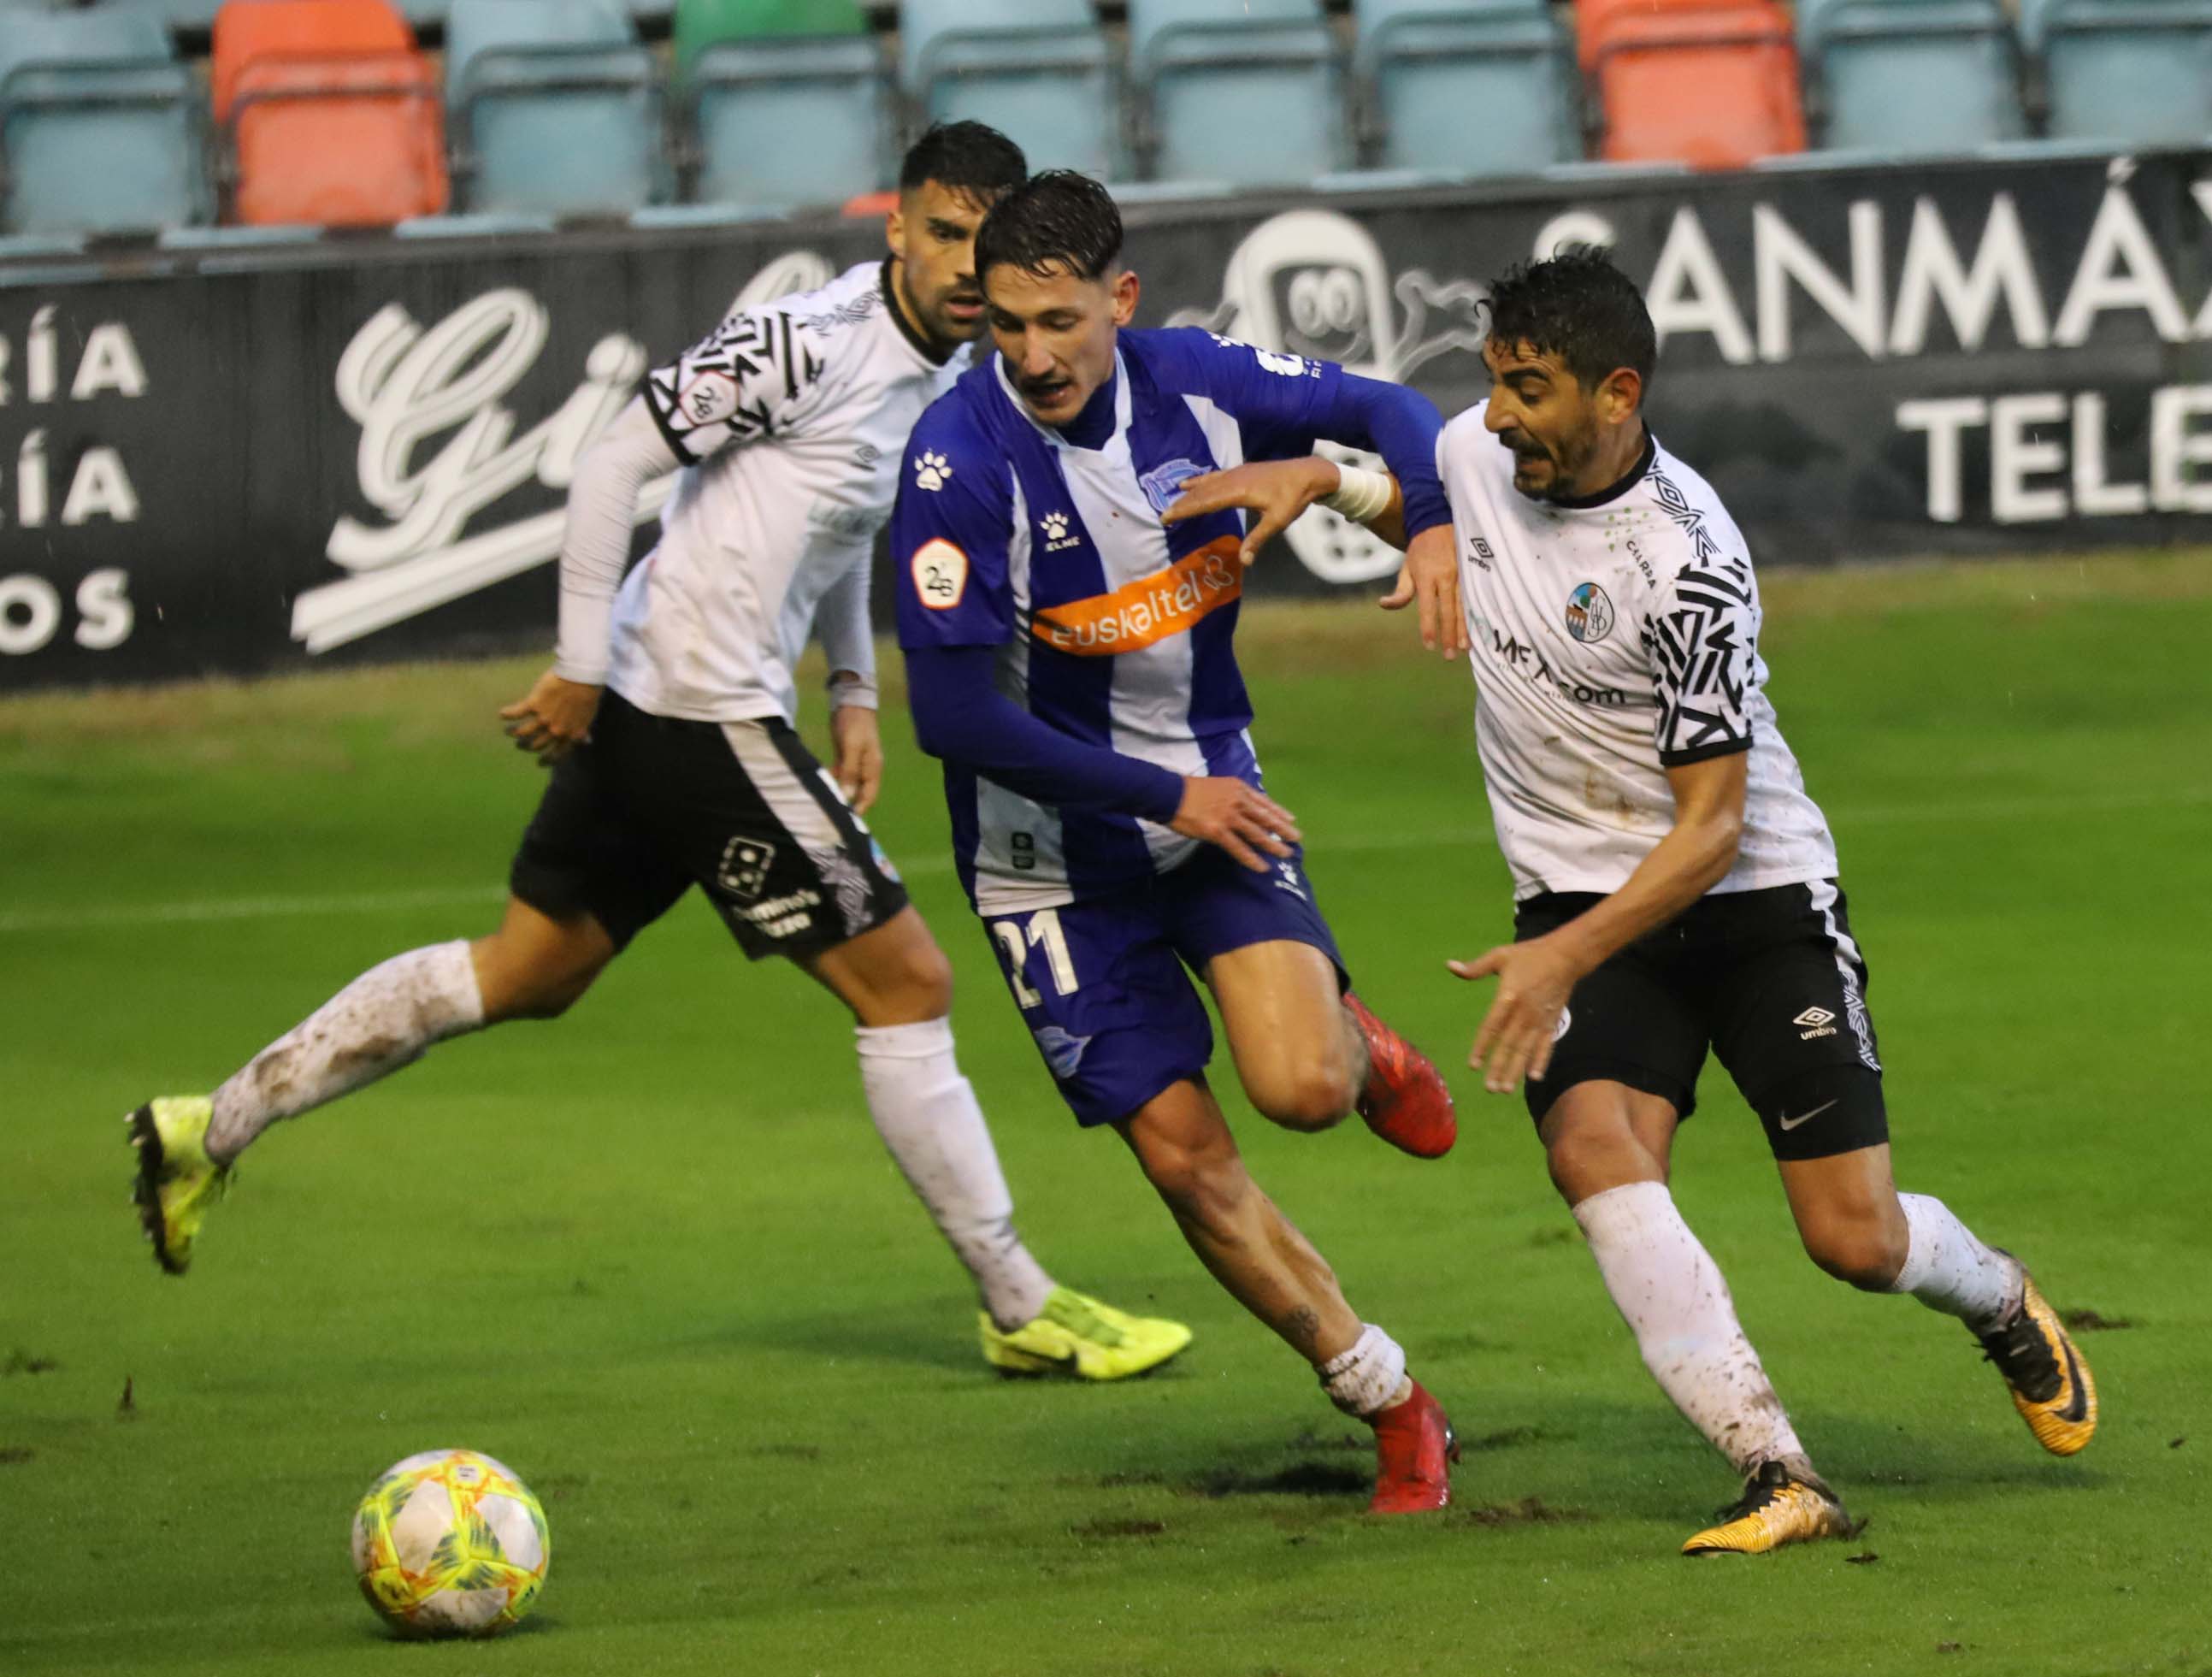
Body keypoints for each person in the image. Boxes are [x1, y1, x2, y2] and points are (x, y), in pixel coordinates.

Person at [127, 124, 1192, 1385]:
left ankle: (209, 1127)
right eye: (945, 234)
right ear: (896, 228)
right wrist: (577, 662)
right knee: (907, 986)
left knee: (528, 971)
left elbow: (841, 523)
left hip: (667, 700)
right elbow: (616, 456)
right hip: (692, 709)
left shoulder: (954, 369)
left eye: (987, 240)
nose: (969, 265)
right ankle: (1019, 1303)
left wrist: (852, 686)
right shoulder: (806, 343)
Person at [1163, 249, 2097, 1552]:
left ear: (1617, 393)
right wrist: (1328, 482)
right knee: (1594, 1154)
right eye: (1495, 382)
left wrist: (1559, 964)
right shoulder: (1481, 452)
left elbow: (1710, 829)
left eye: (1530, 389)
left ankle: (1994, 1296)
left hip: (1754, 901)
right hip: (1577, 896)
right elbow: (1440, 514)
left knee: (1854, 1239)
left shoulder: (1688, 561)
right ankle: (1778, 1471)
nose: (1500, 416)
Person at [888, 171, 1468, 1514]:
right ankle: (1389, 1400)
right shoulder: (956, 462)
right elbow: (955, 719)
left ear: (1122, 299)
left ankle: (1354, 1040)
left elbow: (1395, 411)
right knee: (1188, 1164)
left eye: (1060, 322)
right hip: (1048, 864)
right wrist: (1164, 797)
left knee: (1303, 1091)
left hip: (1211, 799)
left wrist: (1430, 526)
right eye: (1007, 326)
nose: (1034, 354)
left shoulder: (1197, 381)